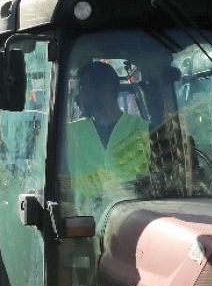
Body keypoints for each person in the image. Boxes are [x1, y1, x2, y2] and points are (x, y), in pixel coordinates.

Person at [63, 60, 151, 216]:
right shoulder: (69, 134)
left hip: (132, 225)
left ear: (104, 90)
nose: (78, 97)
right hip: (81, 230)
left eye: (83, 89)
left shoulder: (144, 131)